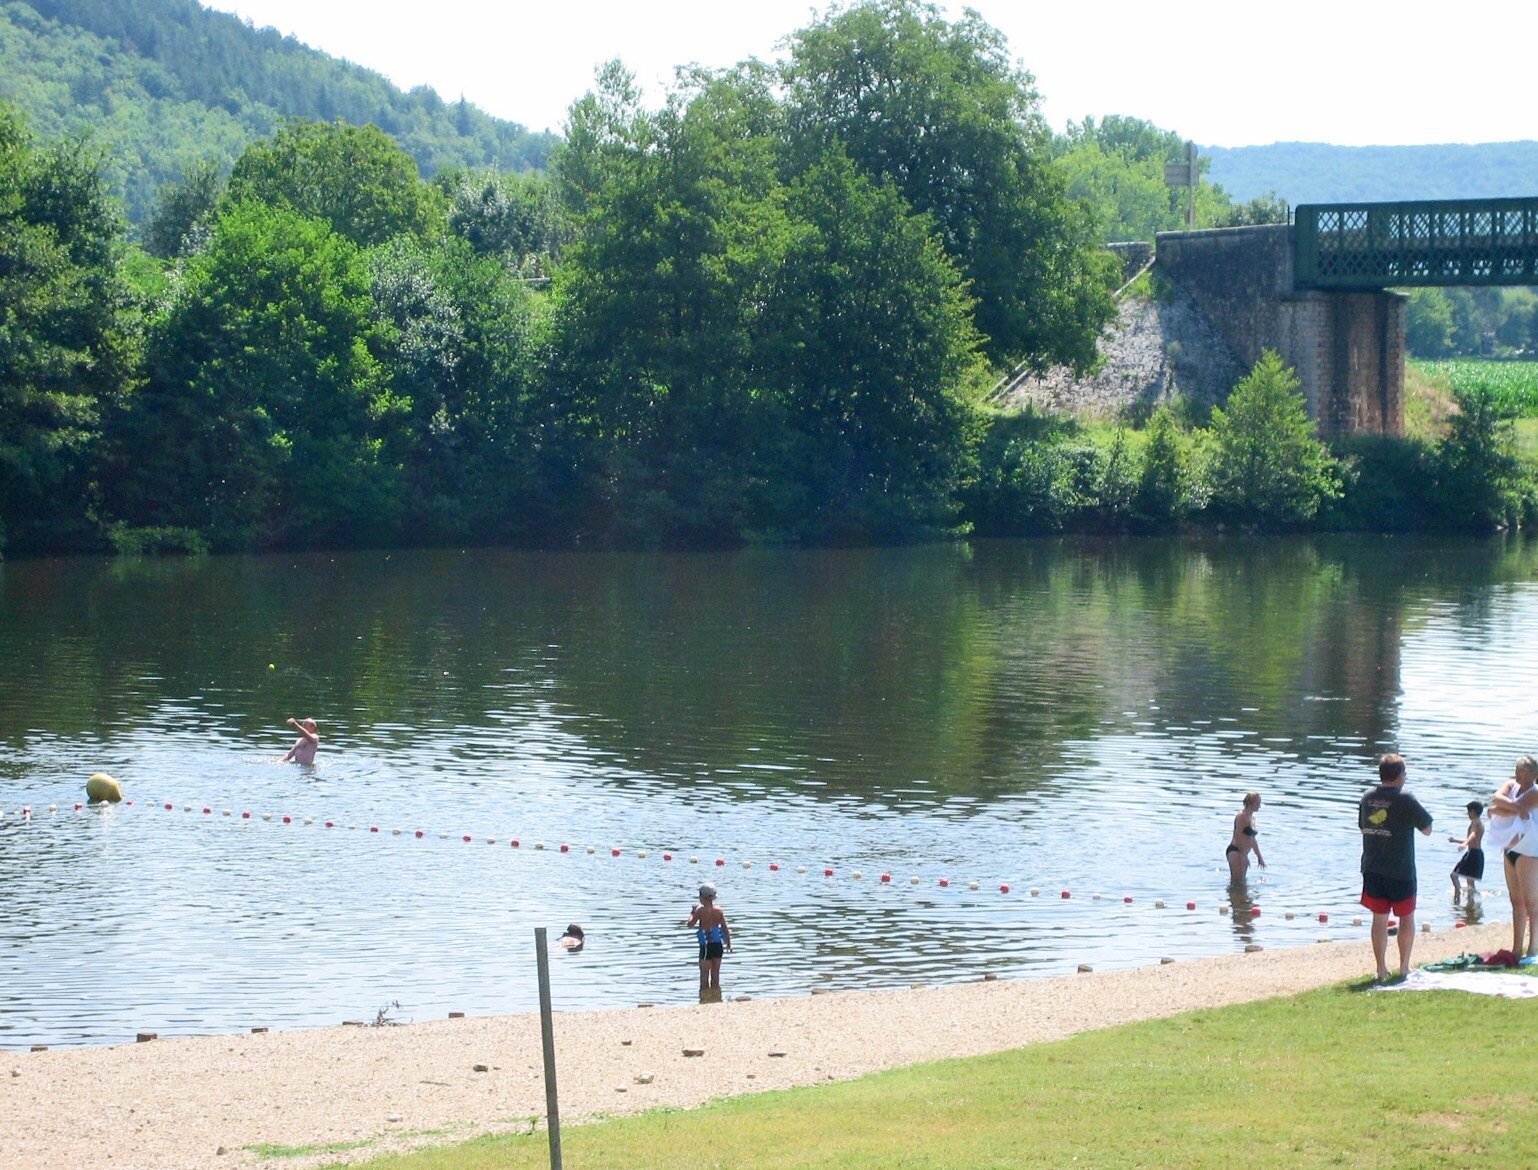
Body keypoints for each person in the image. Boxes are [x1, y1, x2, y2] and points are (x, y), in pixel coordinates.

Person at [1359, 753, 1433, 982]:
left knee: (1379, 918)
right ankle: (1403, 967)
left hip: (1372, 867)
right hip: (1401, 869)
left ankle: (1380, 969)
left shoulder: (1367, 797)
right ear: (1400, 775)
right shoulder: (1406, 798)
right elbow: (1427, 828)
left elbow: (1363, 828)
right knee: (1406, 917)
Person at [1490, 755, 1538, 960]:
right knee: (1516, 901)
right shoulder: (1511, 785)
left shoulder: (1535, 793)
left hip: (1529, 850)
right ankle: (1516, 948)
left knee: (1531, 902)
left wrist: (1503, 809)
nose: (1519, 777)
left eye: (1524, 774)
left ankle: (1533, 947)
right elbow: (1496, 799)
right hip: (1510, 849)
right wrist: (1515, 809)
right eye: (1518, 772)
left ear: (1534, 775)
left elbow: (1500, 808)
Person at [685, 882, 732, 992]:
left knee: (704, 974)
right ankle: (715, 997)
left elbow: (690, 924)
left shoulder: (700, 911)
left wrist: (692, 912)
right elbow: (725, 928)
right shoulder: (719, 910)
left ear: (702, 897)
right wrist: (729, 943)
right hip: (718, 945)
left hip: (706, 946)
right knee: (716, 974)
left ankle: (705, 998)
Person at [1449, 800, 1485, 903]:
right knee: (1470, 882)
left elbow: (1473, 835)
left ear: (1473, 811)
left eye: (1468, 812)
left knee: (1454, 875)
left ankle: (1457, 896)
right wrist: (1455, 840)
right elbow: (1471, 838)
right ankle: (1471, 906)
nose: (1468, 814)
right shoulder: (1480, 823)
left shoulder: (1475, 822)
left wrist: (1464, 844)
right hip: (1477, 854)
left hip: (1473, 854)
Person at [1226, 791, 1266, 881]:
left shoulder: (1252, 818)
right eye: (1258, 803)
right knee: (1238, 883)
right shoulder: (1242, 816)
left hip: (1243, 853)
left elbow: (1253, 840)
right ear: (1251, 803)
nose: (1260, 806)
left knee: (1241, 882)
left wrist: (1259, 857)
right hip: (1236, 851)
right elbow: (1238, 836)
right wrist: (1243, 855)